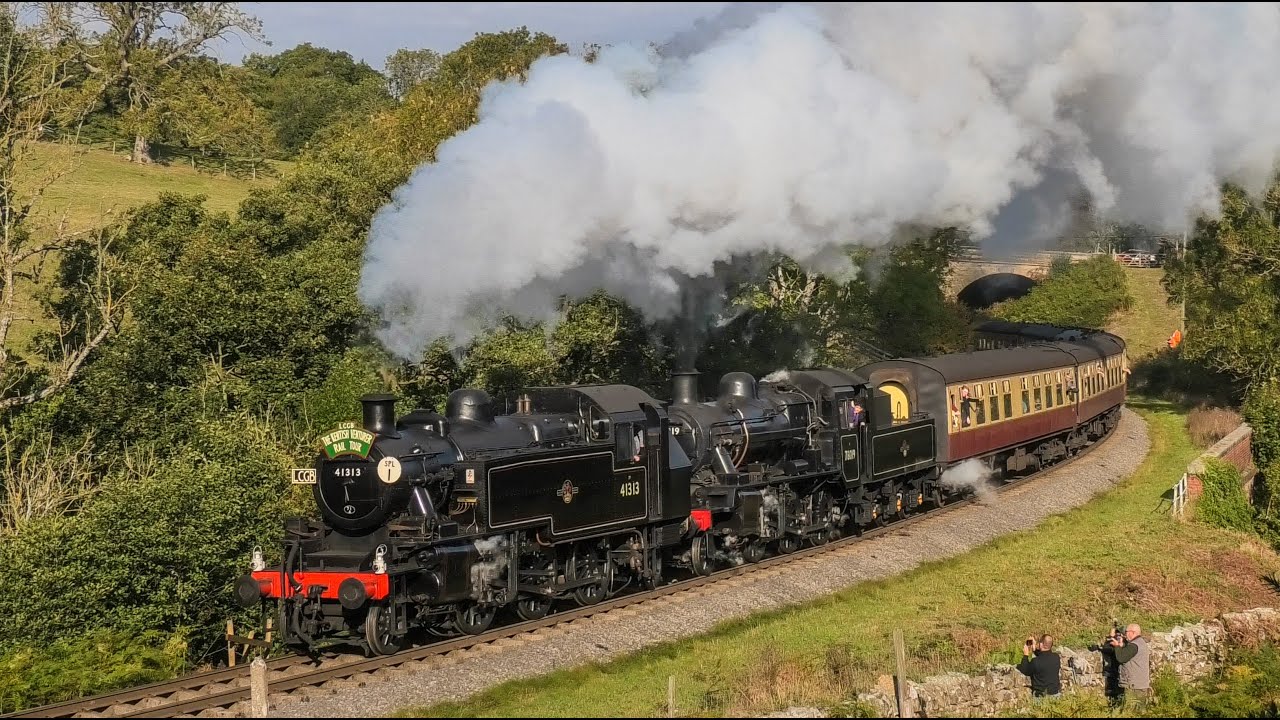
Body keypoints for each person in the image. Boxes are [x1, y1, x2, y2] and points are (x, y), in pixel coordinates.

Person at [1110, 623, 1151, 707]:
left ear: (1132, 632)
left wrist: (1117, 646)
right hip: (1139, 685)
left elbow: (1121, 658)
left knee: (1131, 710)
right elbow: (1128, 654)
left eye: (1126, 632)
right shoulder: (1140, 643)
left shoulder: (1134, 646)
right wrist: (1121, 646)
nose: (1125, 634)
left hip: (1133, 686)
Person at [1017, 634, 1062, 699]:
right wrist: (1034, 649)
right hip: (1055, 695)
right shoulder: (1056, 657)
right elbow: (1045, 657)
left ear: (1041, 644)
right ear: (1051, 645)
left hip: (1040, 697)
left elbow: (1025, 670)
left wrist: (1026, 654)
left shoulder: (1035, 661)